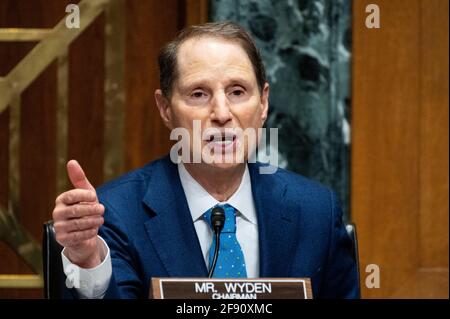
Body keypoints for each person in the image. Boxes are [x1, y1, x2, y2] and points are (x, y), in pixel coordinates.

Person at [52, 21, 359, 299]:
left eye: (237, 92)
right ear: (165, 108)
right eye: (199, 94)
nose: (222, 114)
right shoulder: (115, 214)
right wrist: (89, 261)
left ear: (263, 102)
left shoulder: (316, 211)